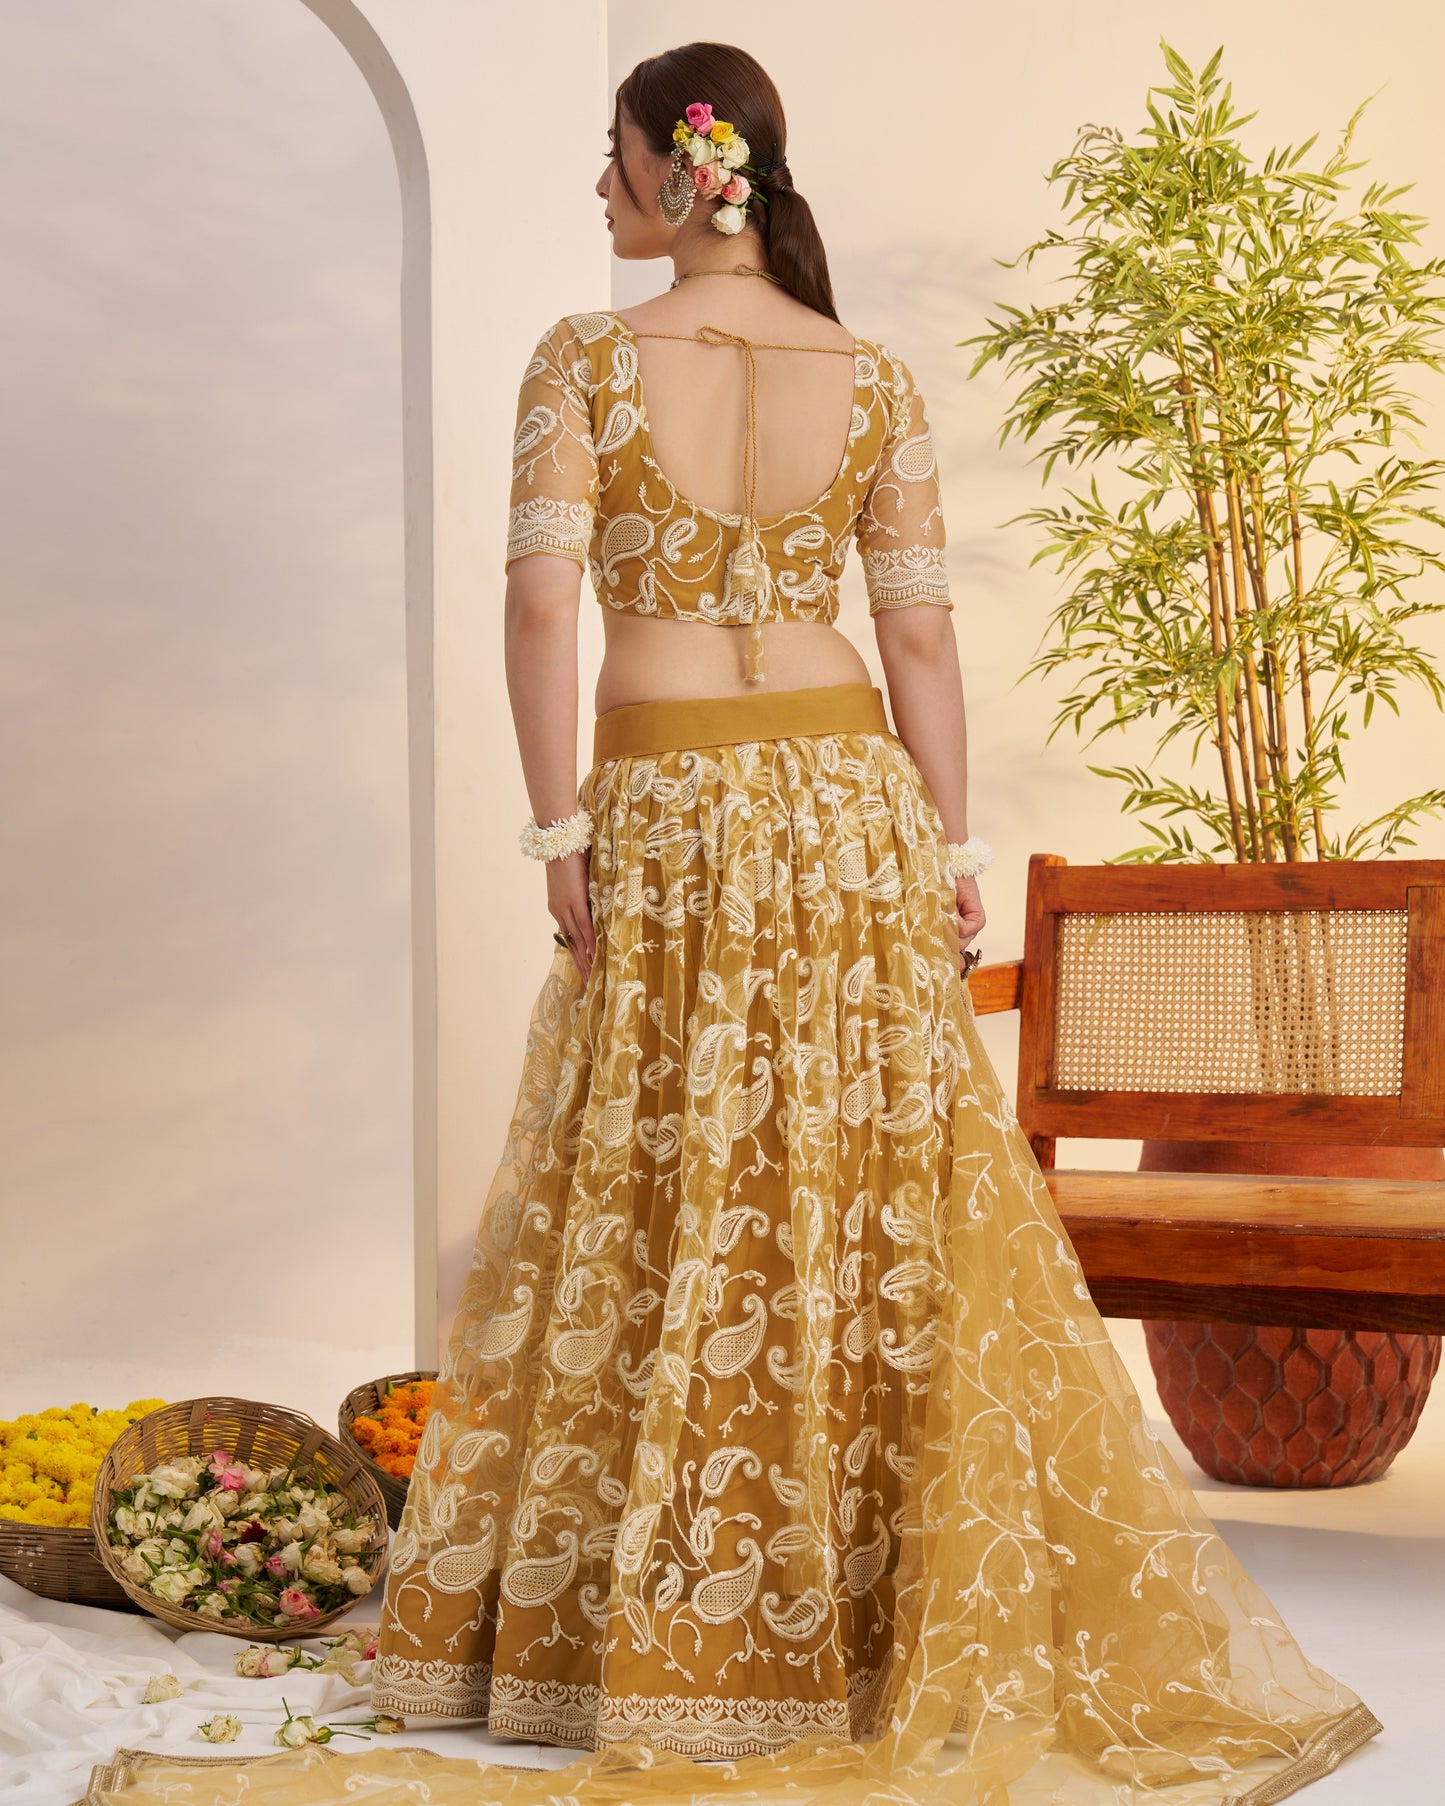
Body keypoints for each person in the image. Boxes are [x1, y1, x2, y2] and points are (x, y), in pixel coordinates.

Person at [82, 38, 1382, 1806]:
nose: (594, 189)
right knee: (836, 1193)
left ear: (683, 174)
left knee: (667, 1178)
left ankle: (672, 1621)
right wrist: (946, 843)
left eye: (608, 159)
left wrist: (559, 826)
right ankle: (845, 1609)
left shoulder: (587, 364)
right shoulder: (872, 373)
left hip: (679, 810)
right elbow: (917, 633)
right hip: (847, 803)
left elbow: (543, 607)